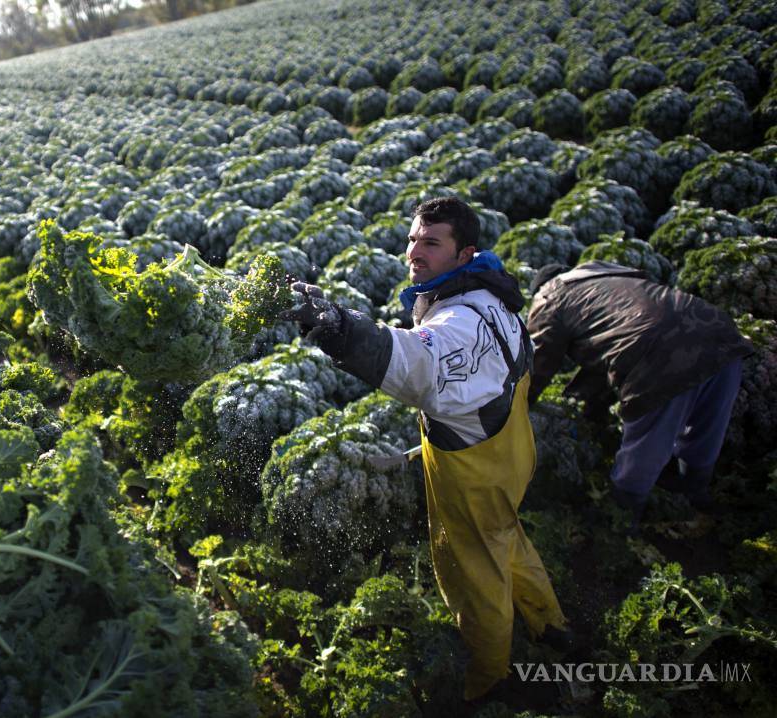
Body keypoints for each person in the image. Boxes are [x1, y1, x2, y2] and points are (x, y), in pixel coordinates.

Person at [281, 197, 568, 702]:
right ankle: (549, 622)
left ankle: (490, 679)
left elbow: (419, 363)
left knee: (474, 576)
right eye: (414, 239)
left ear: (465, 253)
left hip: (473, 472)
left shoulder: (460, 320)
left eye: (432, 243)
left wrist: (337, 326)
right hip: (509, 453)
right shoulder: (490, 295)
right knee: (507, 538)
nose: (416, 250)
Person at [526, 261, 753, 525]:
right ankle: (694, 495)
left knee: (648, 441)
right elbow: (609, 346)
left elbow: (536, 365)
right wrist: (588, 408)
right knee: (706, 427)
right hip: (719, 333)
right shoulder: (612, 276)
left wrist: (517, 406)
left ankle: (622, 518)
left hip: (662, 353)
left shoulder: (551, 295)